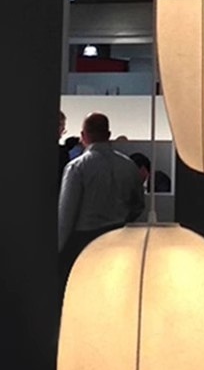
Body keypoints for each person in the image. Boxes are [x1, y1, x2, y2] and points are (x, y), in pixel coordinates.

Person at [58, 112, 145, 282]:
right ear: (109, 135)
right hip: (119, 238)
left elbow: (66, 215)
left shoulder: (77, 168)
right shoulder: (129, 166)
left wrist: (58, 250)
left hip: (85, 242)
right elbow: (138, 205)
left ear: (83, 136)